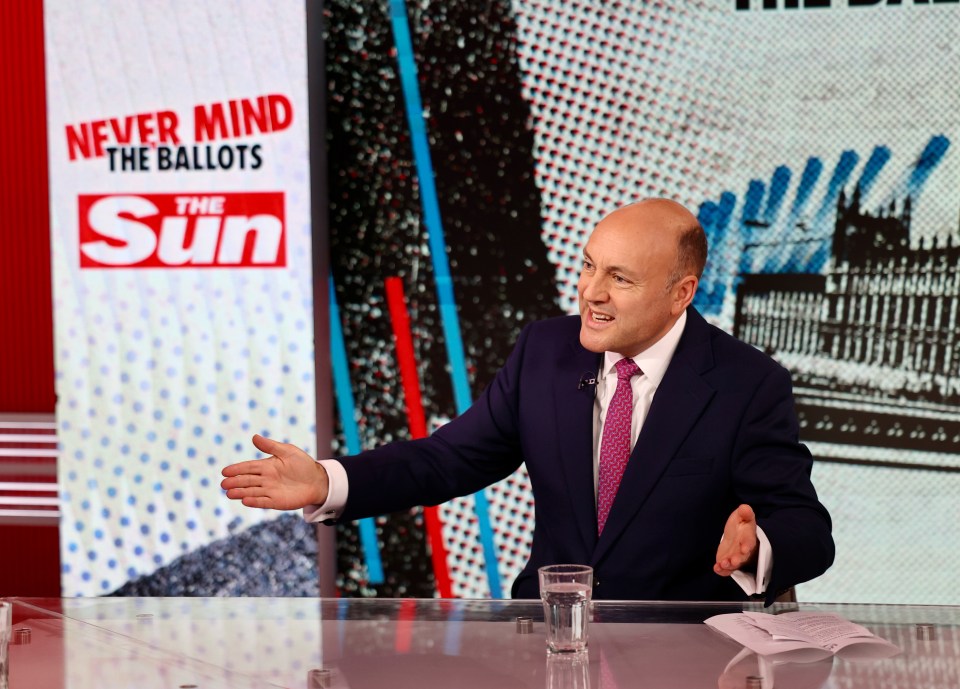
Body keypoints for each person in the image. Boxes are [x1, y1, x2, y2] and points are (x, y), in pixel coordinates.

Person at [221, 198, 834, 604]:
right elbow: (448, 460)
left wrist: (757, 547)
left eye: (619, 278)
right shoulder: (545, 352)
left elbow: (809, 529)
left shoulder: (747, 383)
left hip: (683, 655)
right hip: (547, 643)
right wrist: (328, 481)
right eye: (589, 266)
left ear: (682, 293)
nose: (590, 292)